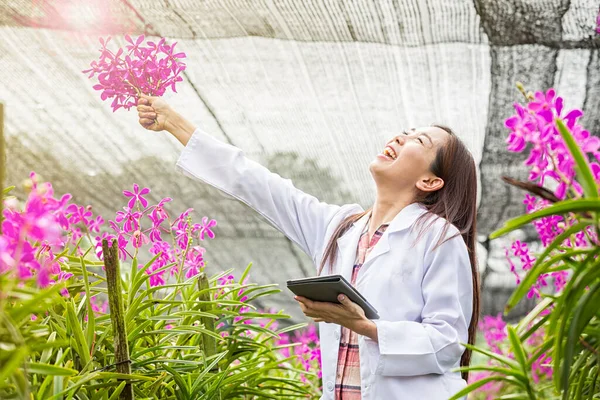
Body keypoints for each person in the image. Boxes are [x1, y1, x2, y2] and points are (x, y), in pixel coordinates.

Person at [137, 95, 480, 400]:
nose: (400, 137)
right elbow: (255, 182)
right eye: (405, 130)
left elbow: (449, 342)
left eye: (418, 139)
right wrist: (173, 122)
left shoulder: (439, 238)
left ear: (430, 181)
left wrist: (366, 328)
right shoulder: (340, 228)